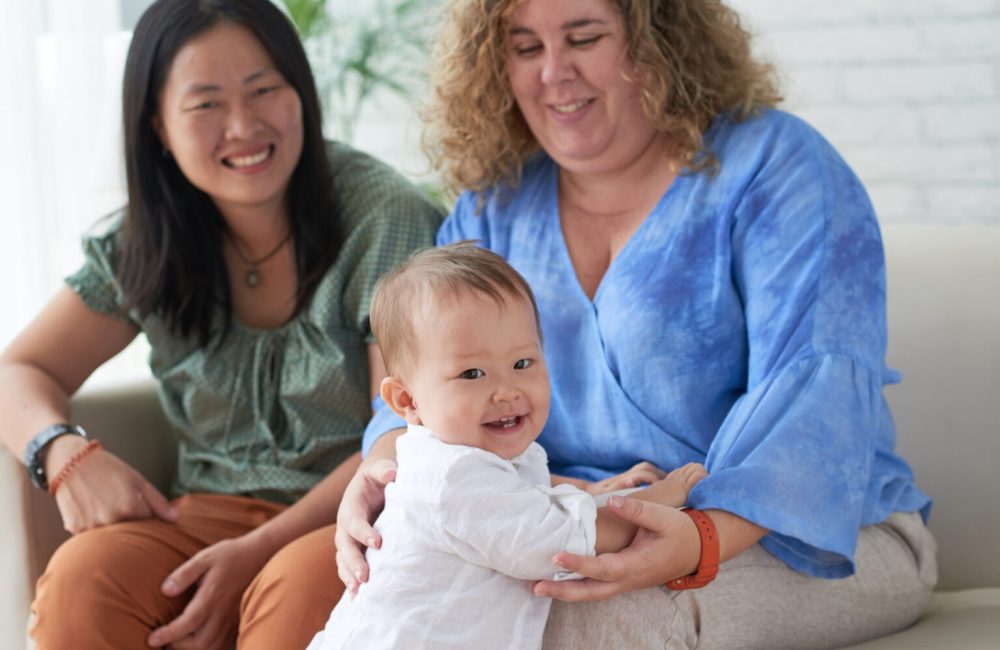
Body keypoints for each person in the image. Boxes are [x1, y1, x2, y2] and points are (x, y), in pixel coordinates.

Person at [335, 0, 939, 648]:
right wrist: (381, 471)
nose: (553, 73)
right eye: (526, 48)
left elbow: (813, 399)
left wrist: (701, 540)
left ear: (662, 40)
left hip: (805, 537)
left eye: (585, 37)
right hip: (566, 521)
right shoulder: (495, 207)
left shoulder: (778, 168)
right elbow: (418, 395)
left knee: (565, 617)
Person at [0, 0, 441, 648]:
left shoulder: (384, 219)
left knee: (298, 601)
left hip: (352, 518)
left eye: (264, 89)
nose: (243, 124)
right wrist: (62, 455)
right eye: (205, 104)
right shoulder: (148, 239)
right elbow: (20, 369)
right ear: (158, 124)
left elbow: (405, 433)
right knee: (81, 584)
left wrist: (255, 553)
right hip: (198, 517)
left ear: (300, 93)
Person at [309, 243, 707, 650]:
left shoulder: (472, 455)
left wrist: (589, 491)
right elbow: (565, 544)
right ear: (407, 401)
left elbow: (521, 497)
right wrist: (663, 496)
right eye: (472, 373)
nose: (506, 391)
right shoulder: (452, 475)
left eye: (522, 364)